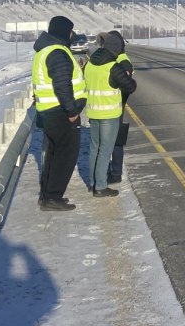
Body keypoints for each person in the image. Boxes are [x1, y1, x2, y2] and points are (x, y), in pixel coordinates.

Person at [31, 15, 86, 211]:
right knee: (65, 156)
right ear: (64, 31)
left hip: (49, 112)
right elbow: (62, 85)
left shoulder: (45, 50)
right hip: (61, 113)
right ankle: (54, 197)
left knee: (54, 154)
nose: (72, 35)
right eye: (70, 32)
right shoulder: (58, 52)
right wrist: (72, 112)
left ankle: (47, 195)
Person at [83, 31, 137, 197]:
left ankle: (92, 182)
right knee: (105, 150)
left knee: (94, 148)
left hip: (93, 112)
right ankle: (100, 186)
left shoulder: (90, 64)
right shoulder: (113, 67)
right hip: (109, 113)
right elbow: (130, 86)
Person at [107, 45, 134, 185]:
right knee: (108, 142)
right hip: (110, 107)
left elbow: (128, 87)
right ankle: (110, 172)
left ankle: (115, 173)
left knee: (115, 142)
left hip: (115, 107)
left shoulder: (122, 62)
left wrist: (121, 101)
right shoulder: (115, 59)